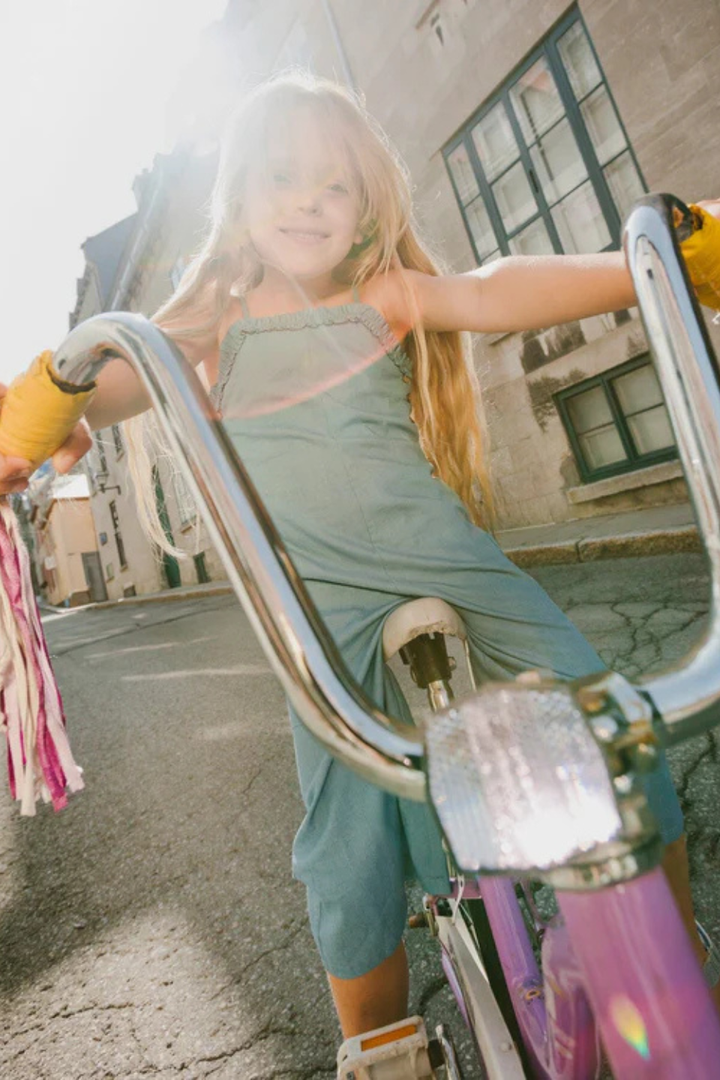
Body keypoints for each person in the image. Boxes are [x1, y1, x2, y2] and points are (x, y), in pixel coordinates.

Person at [3, 71, 718, 1065]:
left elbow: (494, 289)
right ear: (241, 199)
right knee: (348, 851)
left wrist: (652, 267)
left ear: (366, 206)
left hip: (452, 564)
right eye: (283, 177)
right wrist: (47, 409)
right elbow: (121, 375)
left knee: (616, 737)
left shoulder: (384, 291)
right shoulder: (215, 315)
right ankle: (381, 1048)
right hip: (324, 607)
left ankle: (675, 969)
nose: (307, 200)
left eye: (332, 184)